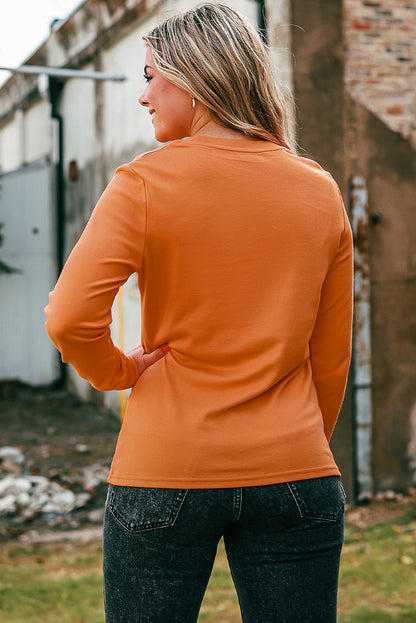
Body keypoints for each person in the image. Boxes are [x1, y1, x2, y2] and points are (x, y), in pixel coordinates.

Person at [44, 3, 353, 622]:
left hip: (166, 466)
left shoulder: (143, 183)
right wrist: (292, 444)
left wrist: (118, 372)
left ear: (194, 80)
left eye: (151, 76)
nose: (144, 96)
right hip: (294, 470)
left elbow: (69, 318)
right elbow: (331, 353)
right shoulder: (319, 189)